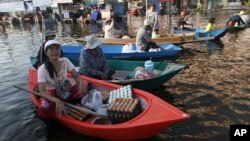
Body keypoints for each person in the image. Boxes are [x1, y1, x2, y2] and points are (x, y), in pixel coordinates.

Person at [37, 40, 88, 118]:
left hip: (65, 88)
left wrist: (81, 82)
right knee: (44, 107)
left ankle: (69, 103)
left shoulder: (65, 61)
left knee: (84, 87)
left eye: (57, 48)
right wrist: (56, 100)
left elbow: (76, 76)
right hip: (51, 93)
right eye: (51, 49)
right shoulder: (42, 69)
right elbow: (42, 91)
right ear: (46, 53)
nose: (55, 51)